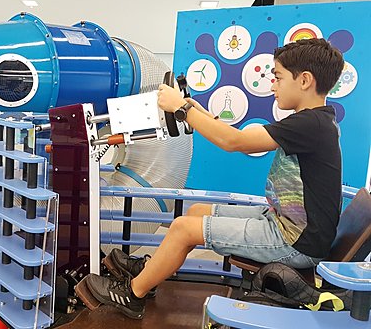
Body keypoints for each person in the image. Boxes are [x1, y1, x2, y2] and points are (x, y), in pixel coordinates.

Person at [76, 38, 345, 319]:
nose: (272, 86)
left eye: (278, 78)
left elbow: (235, 142)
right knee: (197, 211)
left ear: (304, 80)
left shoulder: (310, 124)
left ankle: (133, 295)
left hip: (295, 242)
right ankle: (149, 273)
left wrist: (182, 110)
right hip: (285, 223)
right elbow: (239, 138)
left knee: (183, 228)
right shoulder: (315, 121)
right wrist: (194, 111)